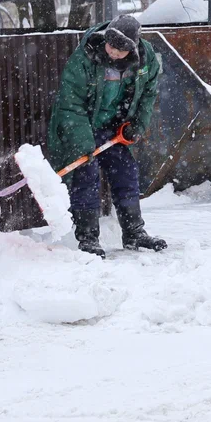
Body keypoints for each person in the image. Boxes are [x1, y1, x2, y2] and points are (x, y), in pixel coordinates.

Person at [47, 14, 167, 257]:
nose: (112, 51)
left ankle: (134, 233)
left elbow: (148, 94)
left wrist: (137, 125)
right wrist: (83, 142)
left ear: (132, 48)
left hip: (114, 129)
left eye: (120, 50)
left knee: (126, 172)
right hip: (83, 125)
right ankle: (88, 238)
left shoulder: (146, 59)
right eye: (110, 45)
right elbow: (71, 105)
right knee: (86, 175)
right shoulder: (85, 57)